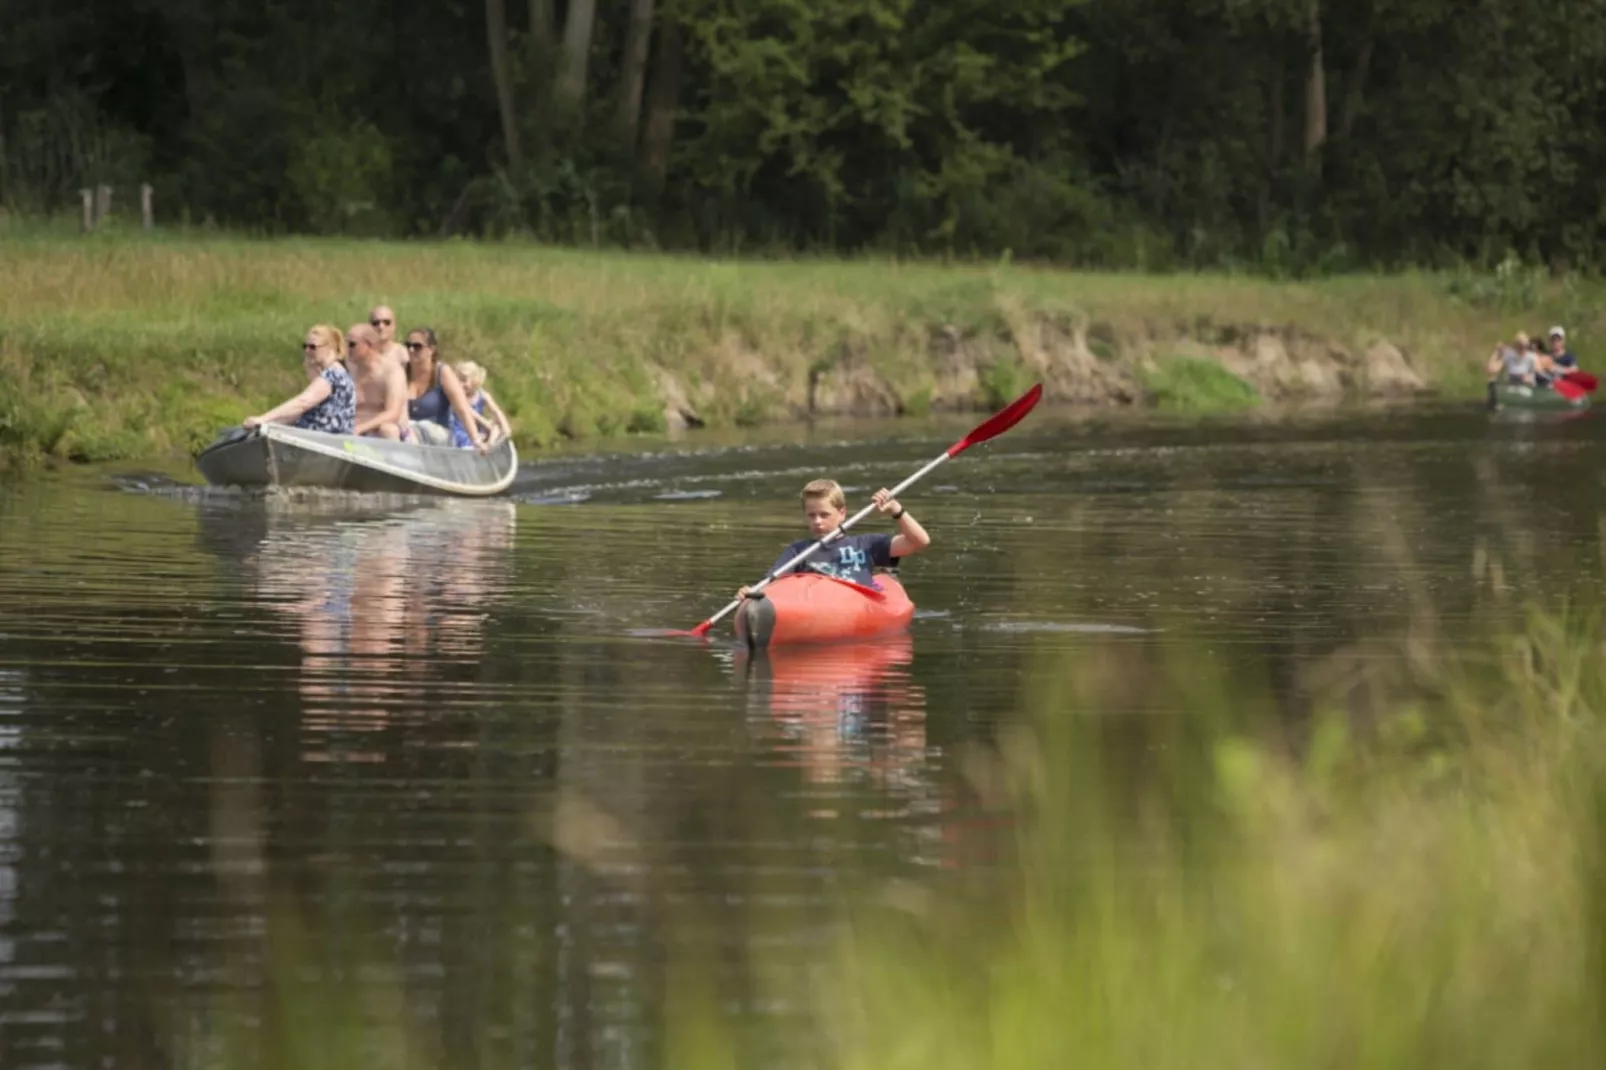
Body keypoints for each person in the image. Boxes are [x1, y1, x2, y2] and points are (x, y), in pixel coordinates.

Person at [736, 479, 932, 600]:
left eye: (824, 514)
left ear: (842, 513)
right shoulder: (798, 551)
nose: (818, 521)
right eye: (811, 515)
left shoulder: (865, 545)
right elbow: (771, 583)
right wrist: (750, 593)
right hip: (818, 606)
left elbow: (919, 542)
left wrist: (896, 510)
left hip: (857, 604)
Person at [244, 324, 355, 434]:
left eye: (313, 347)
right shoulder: (338, 373)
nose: (307, 351)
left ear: (329, 347)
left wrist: (263, 419)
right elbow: (296, 414)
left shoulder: (333, 375)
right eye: (305, 346)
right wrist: (267, 424)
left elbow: (303, 403)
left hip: (322, 442)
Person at [403, 327, 487, 452]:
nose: (411, 350)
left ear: (430, 349)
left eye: (417, 346)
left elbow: (462, 409)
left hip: (439, 436)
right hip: (407, 432)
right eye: (408, 345)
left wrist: (476, 439)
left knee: (417, 428)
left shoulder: (442, 372)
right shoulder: (401, 373)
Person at [347, 323, 410, 440]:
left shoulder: (391, 372)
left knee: (388, 429)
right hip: (354, 430)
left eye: (352, 344)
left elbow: (393, 413)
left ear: (368, 345)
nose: (347, 349)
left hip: (383, 433)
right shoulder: (350, 371)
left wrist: (360, 428)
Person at [449, 360, 513, 448]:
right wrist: (486, 424)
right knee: (487, 427)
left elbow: (496, 410)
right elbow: (470, 413)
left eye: (464, 381)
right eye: (459, 380)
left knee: (496, 425)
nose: (461, 384)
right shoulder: (458, 397)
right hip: (462, 432)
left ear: (475, 381)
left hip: (478, 430)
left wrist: (505, 427)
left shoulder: (482, 395)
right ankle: (480, 444)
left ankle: (491, 444)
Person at [369, 305, 410, 373]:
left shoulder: (403, 354)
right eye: (376, 323)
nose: (381, 327)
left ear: (394, 326)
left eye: (386, 322)